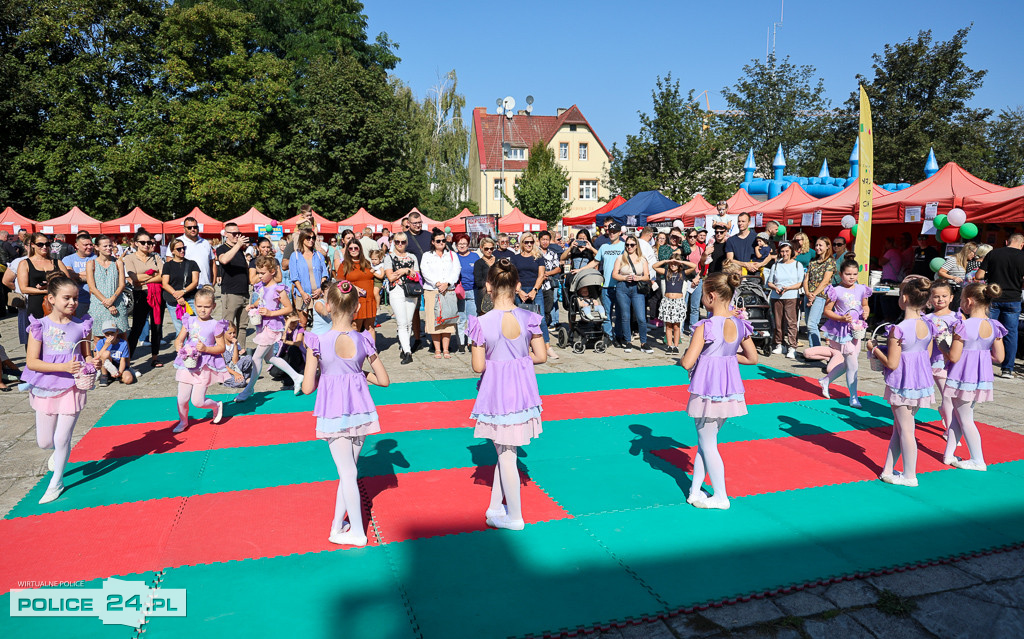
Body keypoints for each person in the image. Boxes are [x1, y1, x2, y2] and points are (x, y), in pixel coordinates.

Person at [301, 281, 389, 547]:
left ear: (327, 307)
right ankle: (338, 525)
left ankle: (358, 532)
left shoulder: (317, 341)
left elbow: (307, 388)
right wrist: (360, 373)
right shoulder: (364, 339)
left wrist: (319, 368)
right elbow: (384, 380)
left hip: (333, 411)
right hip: (360, 409)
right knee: (347, 471)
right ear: (358, 307)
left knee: (347, 472)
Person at [467, 258, 546, 531]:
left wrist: (501, 364)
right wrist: (518, 361)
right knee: (505, 449)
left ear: (489, 286)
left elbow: (478, 365)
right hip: (522, 392)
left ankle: (515, 516)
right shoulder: (528, 318)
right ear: (517, 285)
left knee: (507, 454)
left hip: (497, 393)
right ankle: (494, 505)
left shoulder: (481, 322)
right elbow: (542, 356)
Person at [680, 272, 757, 510]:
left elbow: (687, 362)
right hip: (728, 391)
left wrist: (701, 356)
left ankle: (721, 495)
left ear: (711, 296)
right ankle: (695, 491)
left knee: (708, 443)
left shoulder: (706, 326)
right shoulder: (739, 323)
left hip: (707, 390)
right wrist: (726, 355)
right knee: (706, 441)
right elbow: (752, 358)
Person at [22, 273, 99, 503]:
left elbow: (87, 356)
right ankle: (58, 454)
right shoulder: (40, 326)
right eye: (66, 298)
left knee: (62, 437)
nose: (72, 303)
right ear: (52, 298)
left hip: (72, 388)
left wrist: (93, 363)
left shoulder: (82, 326)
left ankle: (57, 482)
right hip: (45, 388)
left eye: (75, 298)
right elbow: (31, 362)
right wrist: (64, 365)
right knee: (45, 442)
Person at [868, 276, 936, 488]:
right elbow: (928, 353)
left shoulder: (897, 329)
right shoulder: (928, 324)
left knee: (906, 429)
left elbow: (892, 363)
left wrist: (874, 349)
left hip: (902, 383)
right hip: (920, 382)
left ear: (904, 298)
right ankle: (888, 469)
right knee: (900, 428)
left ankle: (910, 475)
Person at [939, 281, 1006, 470]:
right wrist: (981, 357)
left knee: (965, 418)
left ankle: (978, 459)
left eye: (960, 299)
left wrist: (942, 345)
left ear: (968, 301)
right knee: (960, 415)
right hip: (979, 377)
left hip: (963, 376)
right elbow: (1000, 357)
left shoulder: (964, 326)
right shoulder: (994, 325)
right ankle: (949, 454)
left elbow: (954, 355)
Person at [234, 256, 305, 402]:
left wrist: (271, 313)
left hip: (272, 327)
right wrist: (253, 306)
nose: (259, 276)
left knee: (256, 358)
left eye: (262, 273)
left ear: (272, 271)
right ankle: (297, 376)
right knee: (270, 358)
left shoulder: (279, 289)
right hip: (263, 325)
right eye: (258, 273)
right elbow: (262, 299)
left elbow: (288, 308)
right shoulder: (262, 286)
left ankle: (249, 389)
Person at [171, 287, 229, 433]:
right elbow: (179, 339)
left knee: (197, 401)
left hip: (204, 366)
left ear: (214, 306)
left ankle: (216, 405)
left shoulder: (215, 325)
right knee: (182, 399)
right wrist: (179, 346)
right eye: (199, 306)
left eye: (207, 307)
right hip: (187, 363)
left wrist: (206, 349)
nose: (203, 310)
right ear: (194, 305)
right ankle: (183, 421)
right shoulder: (189, 320)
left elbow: (221, 347)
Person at [818, 259, 872, 407]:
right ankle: (853, 397)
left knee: (849, 363)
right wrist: (841, 317)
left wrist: (866, 312)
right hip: (842, 331)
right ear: (841, 274)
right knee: (853, 364)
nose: (851, 277)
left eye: (854, 274)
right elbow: (827, 311)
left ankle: (826, 380)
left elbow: (865, 305)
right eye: (848, 274)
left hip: (857, 330)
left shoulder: (861, 289)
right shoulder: (835, 290)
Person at [976, 233, 1024, 378]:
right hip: (1013, 298)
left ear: (1006, 241)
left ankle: (981, 364)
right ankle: (1007, 369)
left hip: (992, 297)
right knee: (1011, 333)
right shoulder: (1023, 256)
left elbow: (978, 276)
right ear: (1022, 244)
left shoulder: (993, 253)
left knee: (986, 330)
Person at [123, 229, 165, 367]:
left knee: (157, 326)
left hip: (157, 294)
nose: (146, 245)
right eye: (143, 242)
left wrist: (144, 279)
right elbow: (133, 278)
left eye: (149, 242)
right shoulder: (129, 258)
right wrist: (153, 276)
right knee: (137, 328)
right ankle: (127, 360)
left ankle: (155, 357)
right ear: (136, 243)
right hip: (140, 294)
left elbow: (163, 276)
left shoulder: (156, 257)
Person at [512, 232, 555, 359]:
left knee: (540, 319)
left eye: (531, 242)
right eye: (526, 242)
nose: (529, 244)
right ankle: (523, 347)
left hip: (536, 290)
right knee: (521, 321)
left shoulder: (538, 257)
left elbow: (541, 275)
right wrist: (519, 291)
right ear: (522, 243)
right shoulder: (515, 258)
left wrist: (534, 290)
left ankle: (547, 347)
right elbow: (513, 276)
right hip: (520, 290)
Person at [584, 221, 625, 347]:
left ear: (619, 233)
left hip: (619, 285)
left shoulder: (624, 246)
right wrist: (581, 270)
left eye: (614, 232)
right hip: (606, 286)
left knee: (619, 313)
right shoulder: (604, 247)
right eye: (610, 232)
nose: (611, 234)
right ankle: (608, 336)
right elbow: (595, 262)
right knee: (606, 313)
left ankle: (618, 336)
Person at [421, 229, 461, 358]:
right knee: (434, 319)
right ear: (433, 242)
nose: (441, 243)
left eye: (443, 240)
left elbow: (456, 270)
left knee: (447, 319)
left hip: (448, 290)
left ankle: (446, 349)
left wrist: (447, 283)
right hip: (432, 290)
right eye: (438, 241)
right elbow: (424, 270)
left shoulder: (452, 255)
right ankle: (437, 349)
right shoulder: (427, 255)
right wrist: (437, 283)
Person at [925, 281, 958, 437]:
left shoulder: (957, 317)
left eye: (944, 296)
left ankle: (946, 418)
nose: (940, 300)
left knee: (950, 396)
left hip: (953, 361)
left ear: (951, 297)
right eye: (936, 296)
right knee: (947, 395)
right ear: (930, 298)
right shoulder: (927, 318)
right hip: (935, 362)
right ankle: (950, 431)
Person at [384, 232, 420, 364]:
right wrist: (409, 271)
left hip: (411, 291)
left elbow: (417, 276)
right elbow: (391, 277)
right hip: (397, 292)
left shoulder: (412, 257)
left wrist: (405, 270)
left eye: (403, 242)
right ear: (393, 242)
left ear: (406, 243)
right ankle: (408, 352)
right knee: (402, 323)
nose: (400, 244)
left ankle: (405, 347)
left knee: (408, 322)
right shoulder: (389, 257)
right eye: (397, 241)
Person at [612, 235, 653, 353]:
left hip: (637, 289)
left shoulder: (642, 259)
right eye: (627, 245)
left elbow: (647, 276)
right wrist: (624, 277)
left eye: (632, 245)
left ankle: (644, 342)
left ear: (636, 246)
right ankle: (628, 341)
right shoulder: (620, 258)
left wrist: (638, 277)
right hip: (623, 288)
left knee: (641, 317)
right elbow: (614, 274)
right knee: (625, 316)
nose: (629, 247)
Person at [216, 223, 252, 353]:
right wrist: (237, 245)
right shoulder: (222, 248)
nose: (237, 236)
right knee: (228, 325)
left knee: (242, 326)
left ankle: (241, 350)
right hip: (230, 293)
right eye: (234, 233)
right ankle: (227, 351)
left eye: (238, 233)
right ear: (226, 234)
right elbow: (224, 260)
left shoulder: (240, 250)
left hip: (244, 293)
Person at [765, 242, 805, 359]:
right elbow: (770, 282)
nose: (784, 254)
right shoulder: (776, 265)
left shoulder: (798, 265)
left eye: (787, 251)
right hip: (776, 296)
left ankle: (792, 346)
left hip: (792, 296)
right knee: (778, 322)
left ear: (791, 251)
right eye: (782, 251)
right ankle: (779, 344)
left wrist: (788, 288)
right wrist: (775, 288)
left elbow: (800, 283)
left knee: (791, 322)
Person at [84, 236, 129, 338]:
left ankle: (123, 355)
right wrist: (107, 304)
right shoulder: (91, 264)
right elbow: (92, 287)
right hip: (99, 305)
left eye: (110, 245)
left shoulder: (118, 263)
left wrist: (112, 300)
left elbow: (122, 284)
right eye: (105, 246)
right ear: (97, 247)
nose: (109, 248)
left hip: (117, 303)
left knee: (121, 336)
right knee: (98, 337)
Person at [18, 233, 70, 320]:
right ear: (33, 245)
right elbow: (23, 289)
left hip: (58, 304)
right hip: (36, 304)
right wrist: (47, 290)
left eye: (47, 244)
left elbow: (68, 283)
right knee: (38, 332)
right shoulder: (24, 263)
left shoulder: (57, 262)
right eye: (40, 244)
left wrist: (50, 286)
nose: (44, 247)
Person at [653, 252, 695, 354]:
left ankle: (676, 346)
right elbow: (654, 266)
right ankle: (669, 345)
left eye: (675, 264)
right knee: (668, 326)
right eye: (672, 263)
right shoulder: (666, 272)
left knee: (676, 326)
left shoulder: (682, 274)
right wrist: (667, 261)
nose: (673, 265)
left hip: (678, 302)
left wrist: (680, 261)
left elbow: (694, 266)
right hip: (668, 301)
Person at [337, 240, 377, 338]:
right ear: (348, 250)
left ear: (360, 249)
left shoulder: (367, 263)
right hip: (356, 300)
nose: (353, 250)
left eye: (356, 248)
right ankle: (356, 351)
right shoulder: (344, 265)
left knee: (370, 327)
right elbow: (339, 283)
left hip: (370, 299)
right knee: (355, 327)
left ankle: (372, 351)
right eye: (351, 248)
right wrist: (352, 286)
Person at [161, 238, 200, 335]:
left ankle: (195, 349)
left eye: (184, 248)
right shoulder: (168, 265)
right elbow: (165, 284)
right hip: (174, 300)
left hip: (190, 298)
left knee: (195, 328)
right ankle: (183, 350)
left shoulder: (192, 264)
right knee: (180, 329)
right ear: (173, 251)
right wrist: (177, 295)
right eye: (179, 249)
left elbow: (195, 282)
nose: (182, 250)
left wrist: (183, 291)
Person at [803, 238, 835, 349]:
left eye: (820, 245)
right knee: (809, 324)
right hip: (809, 295)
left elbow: (826, 281)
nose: (817, 248)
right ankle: (813, 349)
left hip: (820, 296)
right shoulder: (812, 261)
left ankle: (817, 350)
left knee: (812, 324)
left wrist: (814, 294)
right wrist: (807, 293)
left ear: (827, 247)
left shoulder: (830, 261)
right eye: (816, 245)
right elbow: (806, 279)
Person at [61, 233, 95, 318]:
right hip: (76, 301)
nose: (89, 247)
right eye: (85, 245)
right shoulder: (68, 259)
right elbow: (69, 275)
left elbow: (97, 276)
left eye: (91, 244)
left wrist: (76, 275)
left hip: (94, 301)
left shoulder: (96, 258)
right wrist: (89, 274)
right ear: (77, 245)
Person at [454, 235, 477, 353]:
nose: (462, 246)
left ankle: (471, 342)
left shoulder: (475, 256)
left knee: (472, 318)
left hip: (473, 291)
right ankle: (461, 343)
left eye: (464, 243)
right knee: (461, 319)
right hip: (459, 292)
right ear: (456, 245)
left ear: (468, 244)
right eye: (459, 243)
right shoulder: (453, 256)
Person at [178, 216, 216, 287]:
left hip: (205, 286)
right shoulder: (177, 242)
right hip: (186, 288)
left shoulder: (205, 243)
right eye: (189, 227)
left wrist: (213, 283)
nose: (193, 229)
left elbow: (212, 263)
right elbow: (170, 264)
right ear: (184, 228)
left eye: (195, 227)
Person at [937, 242, 977, 306]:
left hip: (964, 290)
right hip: (954, 289)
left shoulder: (970, 262)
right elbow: (941, 272)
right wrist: (953, 277)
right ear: (968, 251)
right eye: (974, 253)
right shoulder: (953, 259)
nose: (975, 255)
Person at [95, 321, 135, 386]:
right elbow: (97, 357)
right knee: (105, 353)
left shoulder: (123, 343)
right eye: (107, 334)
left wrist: (120, 372)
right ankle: (104, 375)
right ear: (103, 333)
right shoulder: (101, 342)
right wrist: (106, 345)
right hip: (106, 367)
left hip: (119, 366)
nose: (110, 336)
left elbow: (123, 360)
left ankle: (117, 377)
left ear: (117, 331)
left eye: (112, 333)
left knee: (129, 379)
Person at [539, 231, 562, 331]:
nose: (545, 242)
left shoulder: (552, 253)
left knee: (548, 308)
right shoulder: (535, 253)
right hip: (537, 285)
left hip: (548, 285)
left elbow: (558, 268)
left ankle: (545, 327)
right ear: (539, 240)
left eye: (547, 240)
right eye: (543, 239)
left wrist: (547, 273)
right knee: (538, 308)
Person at [222, 322, 254, 389]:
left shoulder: (235, 343)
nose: (232, 335)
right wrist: (235, 373)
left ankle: (243, 377)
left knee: (249, 358)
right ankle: (242, 379)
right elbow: (223, 366)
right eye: (230, 333)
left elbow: (235, 361)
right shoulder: (220, 346)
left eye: (234, 333)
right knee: (240, 383)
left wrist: (236, 346)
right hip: (227, 371)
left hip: (236, 367)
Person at [473, 237, 497, 315]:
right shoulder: (478, 263)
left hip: (498, 294)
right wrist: (489, 285)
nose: (489, 251)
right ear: (481, 248)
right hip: (484, 295)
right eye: (486, 248)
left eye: (491, 248)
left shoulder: (497, 261)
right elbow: (478, 282)